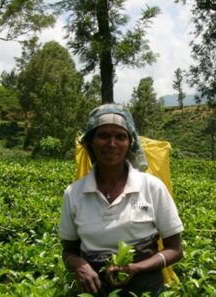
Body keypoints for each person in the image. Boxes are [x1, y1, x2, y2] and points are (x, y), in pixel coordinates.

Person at [58, 104, 184, 297]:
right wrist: (81, 265)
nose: (112, 143)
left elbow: (175, 250)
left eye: (120, 136)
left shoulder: (152, 187)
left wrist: (137, 268)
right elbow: (68, 252)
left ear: (129, 143)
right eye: (104, 136)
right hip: (94, 291)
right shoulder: (74, 193)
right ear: (91, 142)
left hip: (145, 290)